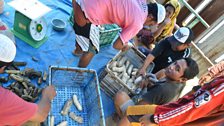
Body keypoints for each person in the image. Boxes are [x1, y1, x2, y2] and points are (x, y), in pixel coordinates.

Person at [72, 0, 166, 67]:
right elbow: (116, 45)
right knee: (92, 50)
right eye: (151, 24)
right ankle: (78, 74)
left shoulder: (142, 2)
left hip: (80, 2)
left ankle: (78, 50)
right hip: (87, 12)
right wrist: (126, 45)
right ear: (150, 17)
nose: (148, 26)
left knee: (87, 34)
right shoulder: (138, 22)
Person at [114, 58, 199, 126]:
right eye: (175, 63)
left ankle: (122, 119)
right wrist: (153, 83)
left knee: (120, 95)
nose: (171, 67)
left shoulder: (163, 89)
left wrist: (126, 119)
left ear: (183, 79)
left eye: (177, 69)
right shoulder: (180, 84)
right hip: (153, 117)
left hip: (143, 119)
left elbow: (137, 109)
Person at [0, 34, 56, 125]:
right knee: (32, 123)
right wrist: (47, 96)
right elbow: (41, 115)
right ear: (2, 68)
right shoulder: (4, 99)